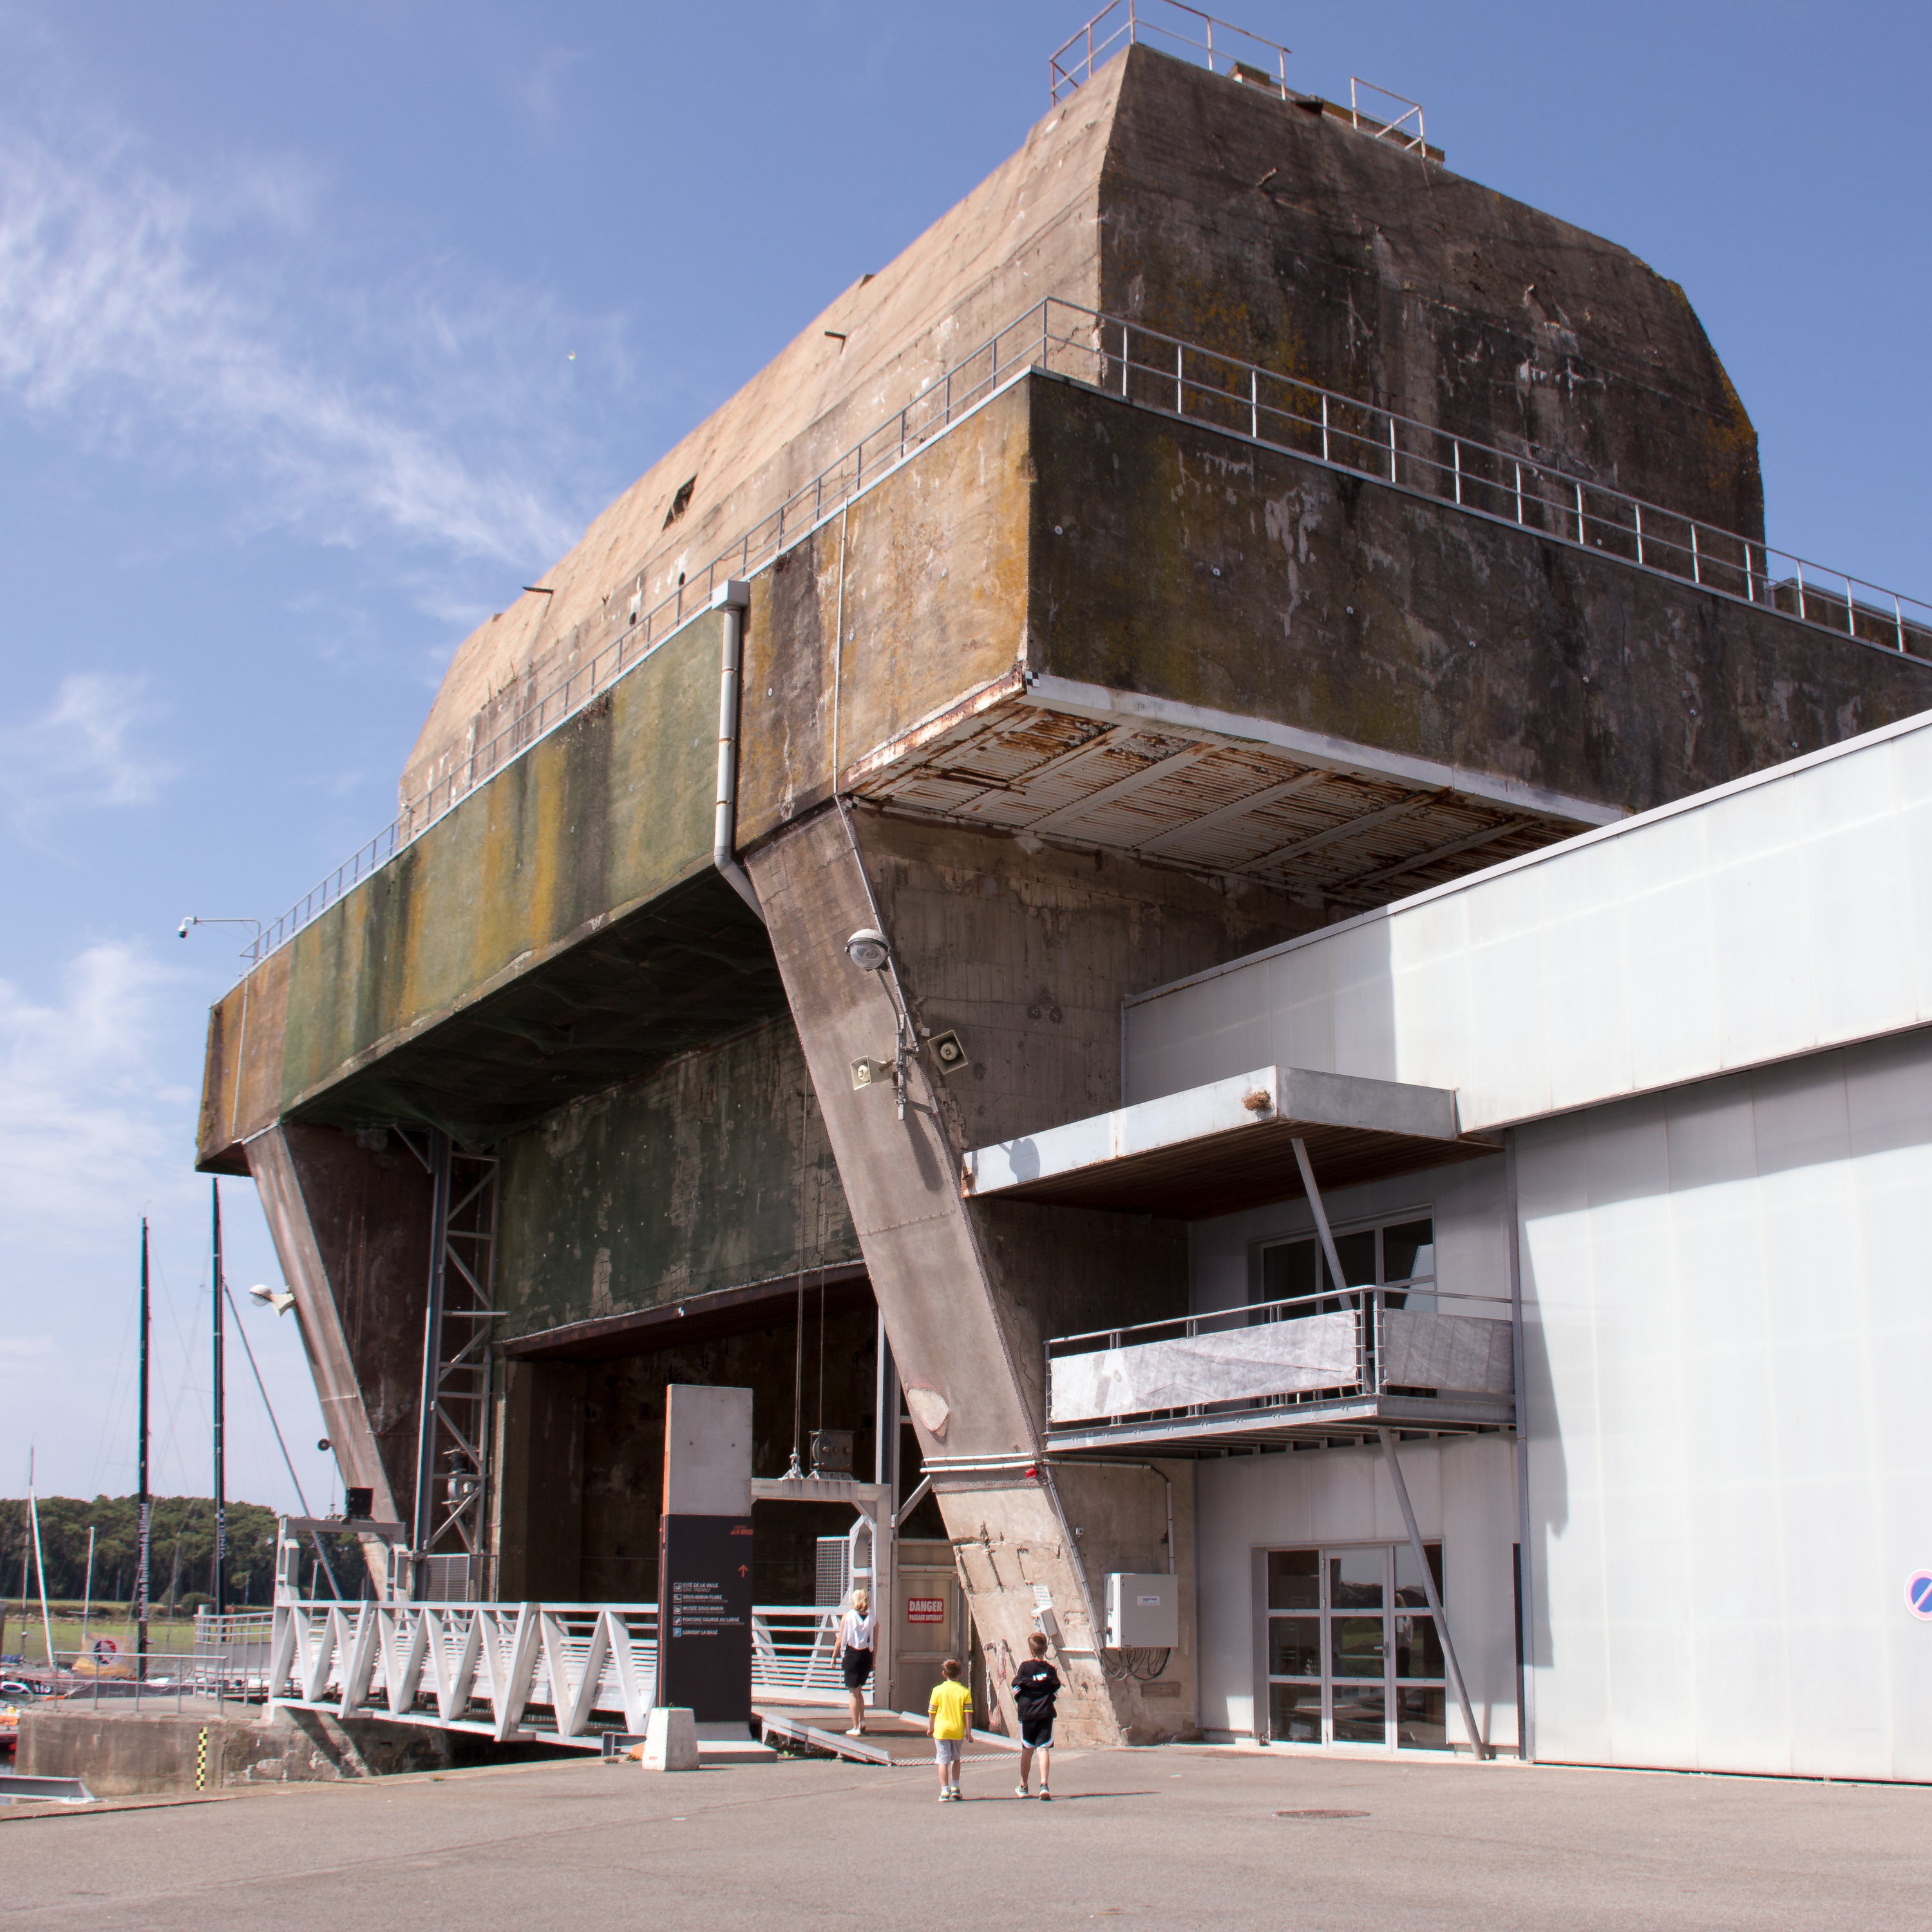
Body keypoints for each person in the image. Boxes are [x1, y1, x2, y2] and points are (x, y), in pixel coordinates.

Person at [1010, 1631, 1060, 1800]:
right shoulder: (1051, 1670)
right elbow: (1055, 1691)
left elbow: (1016, 1689)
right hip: (1046, 1714)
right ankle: (1044, 1785)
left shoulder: (1025, 1667)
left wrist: (1025, 1702)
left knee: (1027, 1748)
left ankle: (1023, 1786)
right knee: (1044, 1748)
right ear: (1045, 1649)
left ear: (1031, 1650)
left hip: (1027, 1715)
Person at [926, 1657, 973, 1801]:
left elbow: (932, 1712)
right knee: (956, 1759)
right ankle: (955, 1788)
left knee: (943, 1760)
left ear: (944, 1674)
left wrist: (930, 1728)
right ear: (961, 1673)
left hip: (941, 1730)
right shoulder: (965, 1692)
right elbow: (968, 1714)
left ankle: (944, 1791)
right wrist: (969, 1732)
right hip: (957, 1730)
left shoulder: (937, 1690)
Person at [833, 1587, 876, 1737]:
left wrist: (834, 1656)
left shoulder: (848, 1616)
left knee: (853, 1693)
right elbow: (875, 1641)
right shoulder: (872, 1618)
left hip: (853, 1655)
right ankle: (862, 1720)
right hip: (866, 1655)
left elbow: (840, 1639)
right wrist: (873, 1661)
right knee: (859, 1690)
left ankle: (855, 1726)